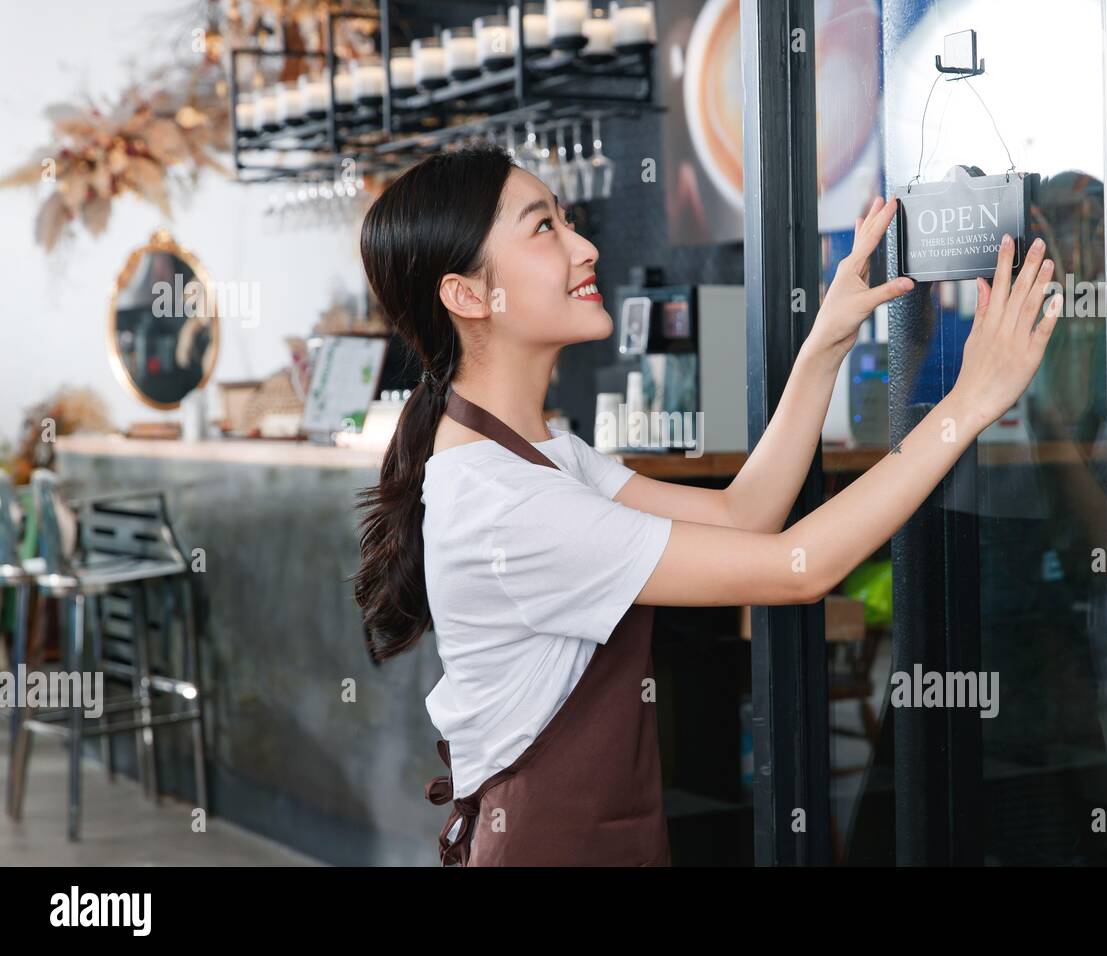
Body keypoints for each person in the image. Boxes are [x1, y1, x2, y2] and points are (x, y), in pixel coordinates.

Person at [352, 143, 1061, 866]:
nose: (586, 246)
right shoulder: (507, 503)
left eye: (568, 221)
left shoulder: (540, 457)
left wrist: (825, 341)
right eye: (544, 229)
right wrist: (968, 402)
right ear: (467, 296)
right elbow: (798, 568)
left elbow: (742, 516)